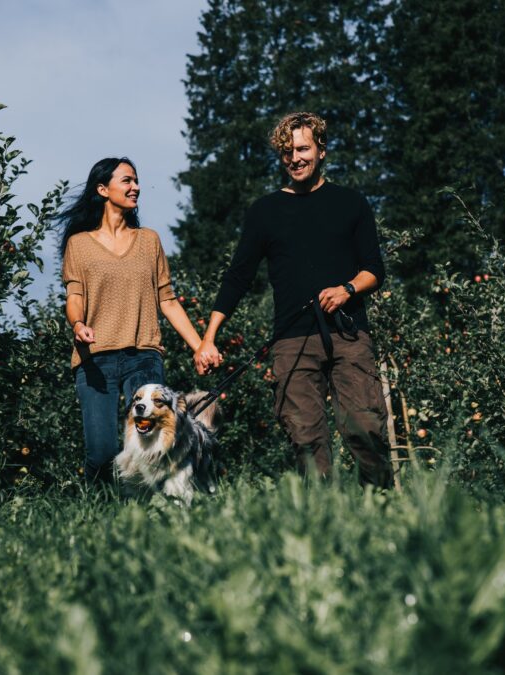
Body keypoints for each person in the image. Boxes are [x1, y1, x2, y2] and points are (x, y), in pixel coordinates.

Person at [194, 112, 392, 487]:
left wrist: (347, 289)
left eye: (303, 149)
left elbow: (374, 270)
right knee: (306, 440)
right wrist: (209, 337)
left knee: (365, 429)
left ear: (321, 151)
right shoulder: (264, 212)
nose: (295, 158)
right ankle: (322, 523)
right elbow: (238, 277)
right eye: (287, 152)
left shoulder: (351, 203)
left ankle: (381, 510)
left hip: (349, 337)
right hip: (291, 340)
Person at [59, 157, 208, 480]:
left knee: (151, 445)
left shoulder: (148, 241)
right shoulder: (79, 245)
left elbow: (167, 300)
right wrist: (78, 325)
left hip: (144, 356)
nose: (135, 187)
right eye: (127, 180)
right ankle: (96, 514)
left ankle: (148, 516)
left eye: (136, 180)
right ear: (103, 189)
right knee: (101, 453)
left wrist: (200, 346)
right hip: (95, 360)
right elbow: (75, 297)